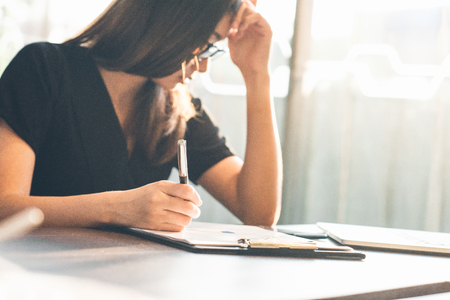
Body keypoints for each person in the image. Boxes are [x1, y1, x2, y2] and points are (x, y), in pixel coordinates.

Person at [0, 0, 282, 231]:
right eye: (207, 44)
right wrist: (119, 209)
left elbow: (257, 212)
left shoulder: (176, 109)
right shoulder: (43, 69)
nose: (204, 66)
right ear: (171, 21)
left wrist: (257, 75)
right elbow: (4, 207)